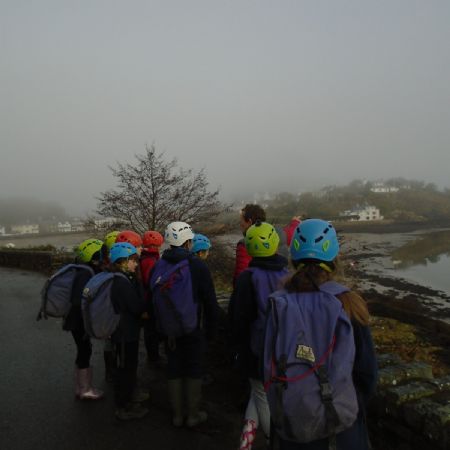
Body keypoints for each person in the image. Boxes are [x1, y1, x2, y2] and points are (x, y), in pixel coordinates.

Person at [271, 219, 377, 450]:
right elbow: (367, 374)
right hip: (342, 427)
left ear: (293, 258)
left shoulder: (278, 304)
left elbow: (267, 366)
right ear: (334, 258)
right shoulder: (348, 303)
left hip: (291, 425)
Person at [150, 221, 219, 428]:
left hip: (169, 329)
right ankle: (193, 415)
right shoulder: (197, 266)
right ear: (189, 242)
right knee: (193, 368)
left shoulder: (159, 264)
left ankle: (177, 416)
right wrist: (211, 332)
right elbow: (210, 302)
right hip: (192, 328)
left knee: (174, 367)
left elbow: (151, 298)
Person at [229, 222, 289, 450]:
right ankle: (246, 441)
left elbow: (238, 318)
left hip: (255, 350)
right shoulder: (288, 274)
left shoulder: (247, 277)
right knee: (259, 393)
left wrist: (235, 348)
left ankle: (276, 442)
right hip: (282, 348)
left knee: (260, 393)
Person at [108, 242, 148, 420]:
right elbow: (137, 307)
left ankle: (128, 398)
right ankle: (123, 407)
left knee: (126, 367)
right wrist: (138, 282)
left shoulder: (116, 277)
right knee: (126, 369)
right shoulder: (122, 283)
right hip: (125, 333)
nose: (136, 264)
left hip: (122, 332)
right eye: (133, 260)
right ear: (123, 261)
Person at [63, 238, 106, 400]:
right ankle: (85, 390)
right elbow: (79, 300)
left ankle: (80, 387)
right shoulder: (86, 273)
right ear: (94, 256)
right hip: (79, 320)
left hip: (74, 319)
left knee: (83, 350)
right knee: (84, 351)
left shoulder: (81, 269)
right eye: (101, 254)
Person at [234, 204, 300, 286]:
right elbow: (292, 231)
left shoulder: (244, 245)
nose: (240, 225)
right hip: (281, 286)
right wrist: (295, 222)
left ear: (249, 222)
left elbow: (240, 280)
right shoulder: (280, 234)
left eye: (241, 222)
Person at [140, 230, 164, 364]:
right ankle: (154, 358)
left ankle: (153, 356)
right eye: (159, 245)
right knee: (152, 330)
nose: (160, 248)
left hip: (146, 297)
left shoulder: (145, 257)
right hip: (149, 299)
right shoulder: (150, 260)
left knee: (151, 330)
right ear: (154, 245)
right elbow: (151, 281)